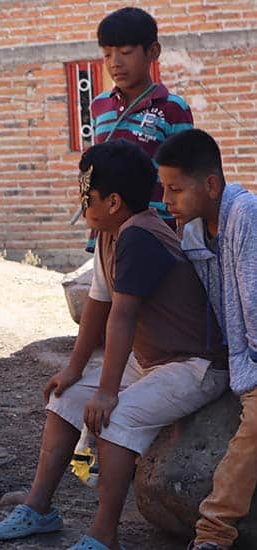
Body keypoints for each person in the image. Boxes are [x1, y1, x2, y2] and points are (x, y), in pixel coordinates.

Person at [0, 139, 228, 550]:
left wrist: (106, 392)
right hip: (152, 359)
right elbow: (99, 304)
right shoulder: (108, 234)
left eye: (88, 196)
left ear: (114, 201)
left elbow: (123, 316)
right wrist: (75, 370)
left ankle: (103, 536)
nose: (81, 204)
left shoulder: (140, 236)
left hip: (195, 365)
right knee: (65, 398)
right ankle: (39, 508)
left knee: (114, 418)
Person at [157, 129, 257, 550]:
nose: (166, 201)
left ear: (211, 185)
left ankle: (213, 532)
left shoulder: (245, 216)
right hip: (238, 355)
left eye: (175, 189)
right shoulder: (193, 232)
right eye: (163, 189)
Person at [82, 6, 193, 252]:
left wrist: (184, 232)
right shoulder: (100, 105)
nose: (115, 63)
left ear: (153, 52)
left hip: (156, 231)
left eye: (125, 52)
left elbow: (186, 176)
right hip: (107, 232)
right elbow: (93, 171)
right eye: (107, 54)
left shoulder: (173, 108)